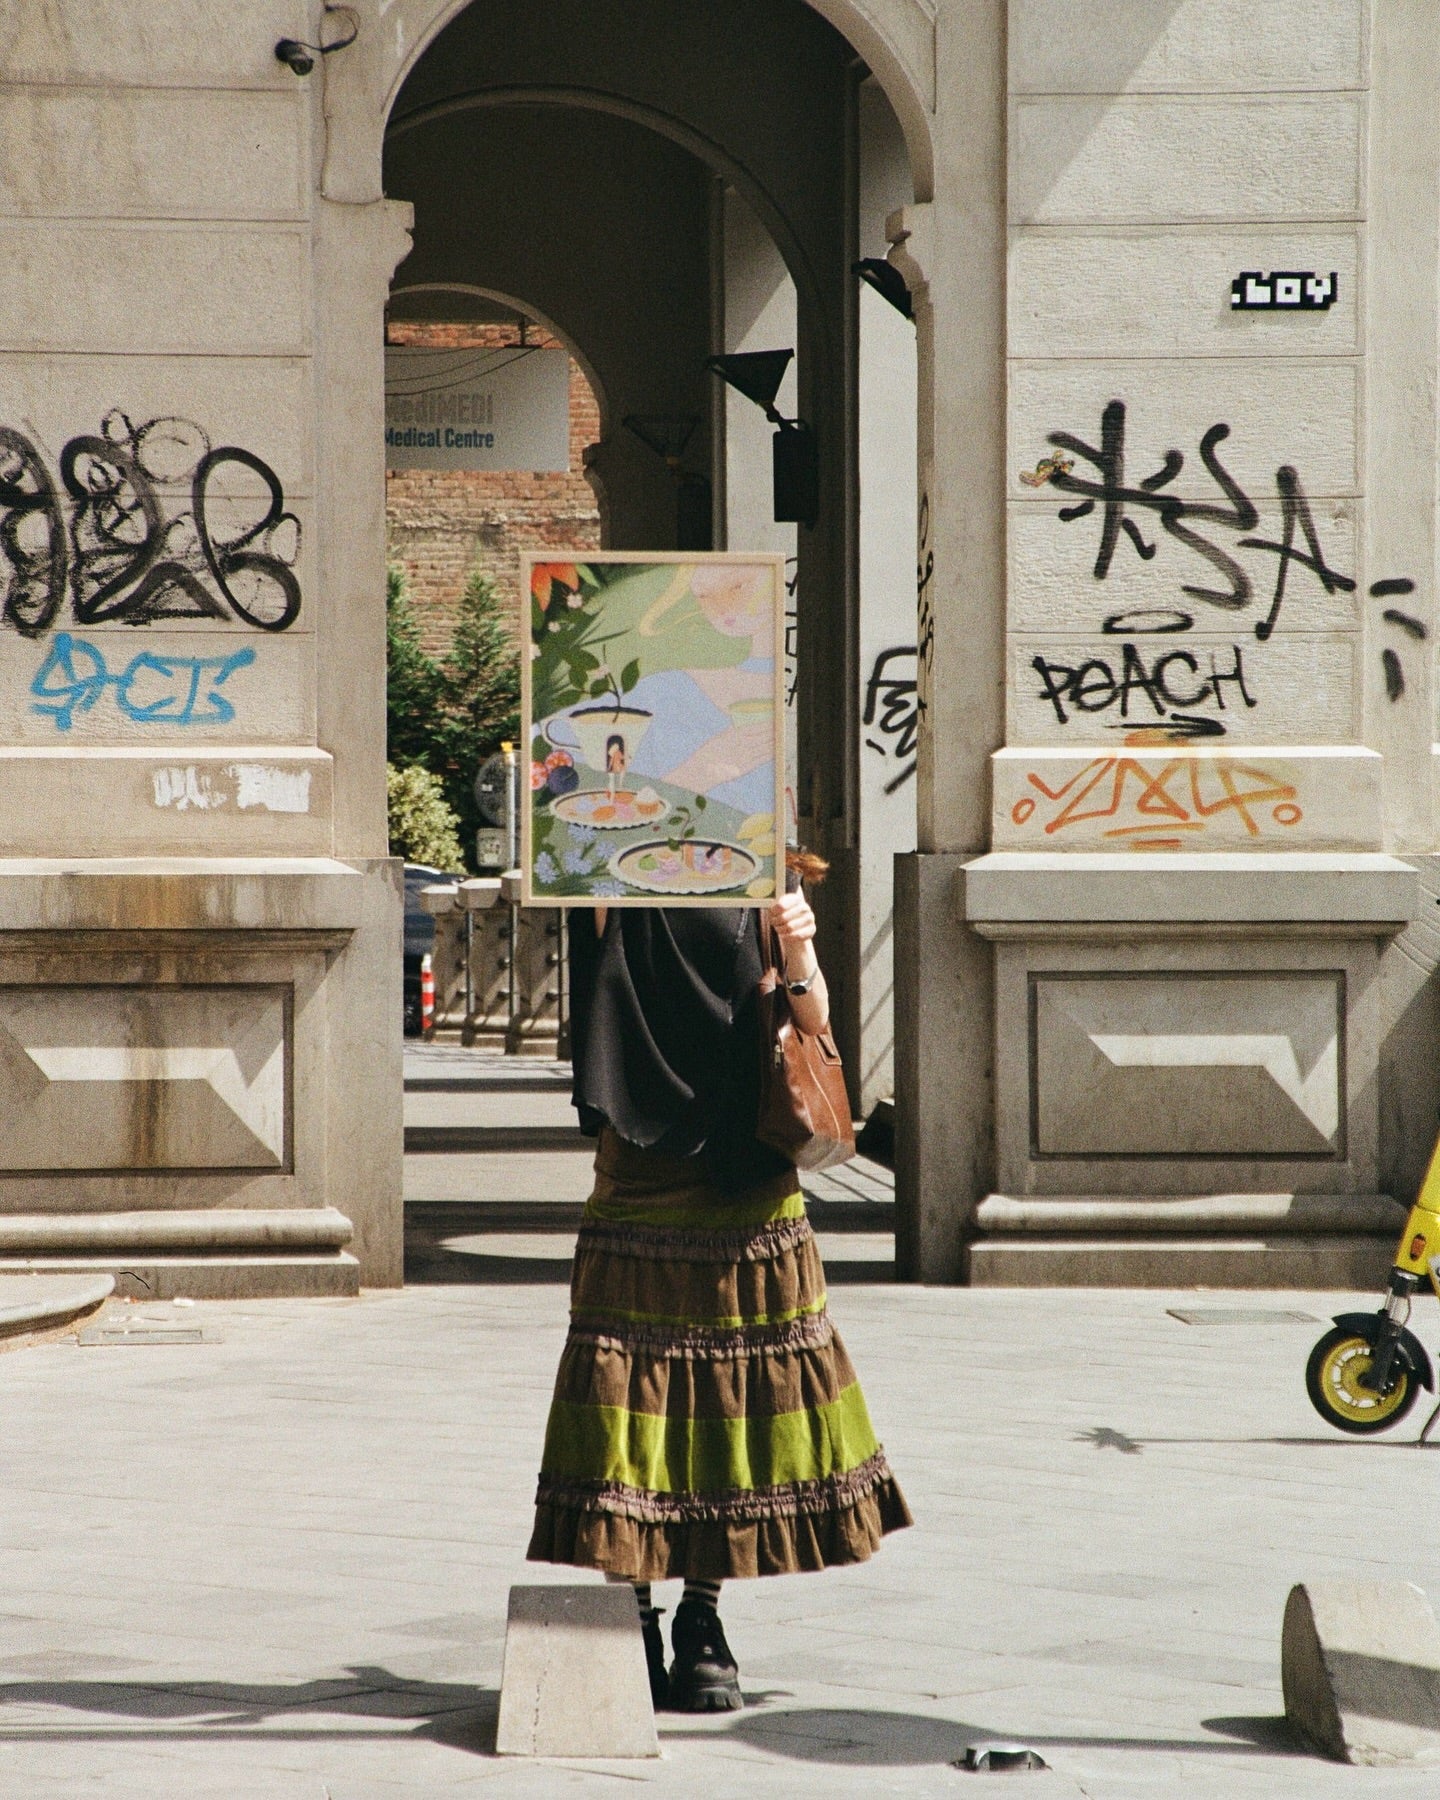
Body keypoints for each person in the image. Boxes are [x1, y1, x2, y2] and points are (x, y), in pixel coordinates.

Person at [527, 857, 911, 1712]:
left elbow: (811, 1018)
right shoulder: (610, 877)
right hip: (644, 1162)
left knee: (729, 1399)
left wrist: (800, 947)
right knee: (631, 1394)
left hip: (750, 1158)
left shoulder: (763, 869)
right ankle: (633, 1607)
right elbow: (573, 840)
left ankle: (702, 1616)